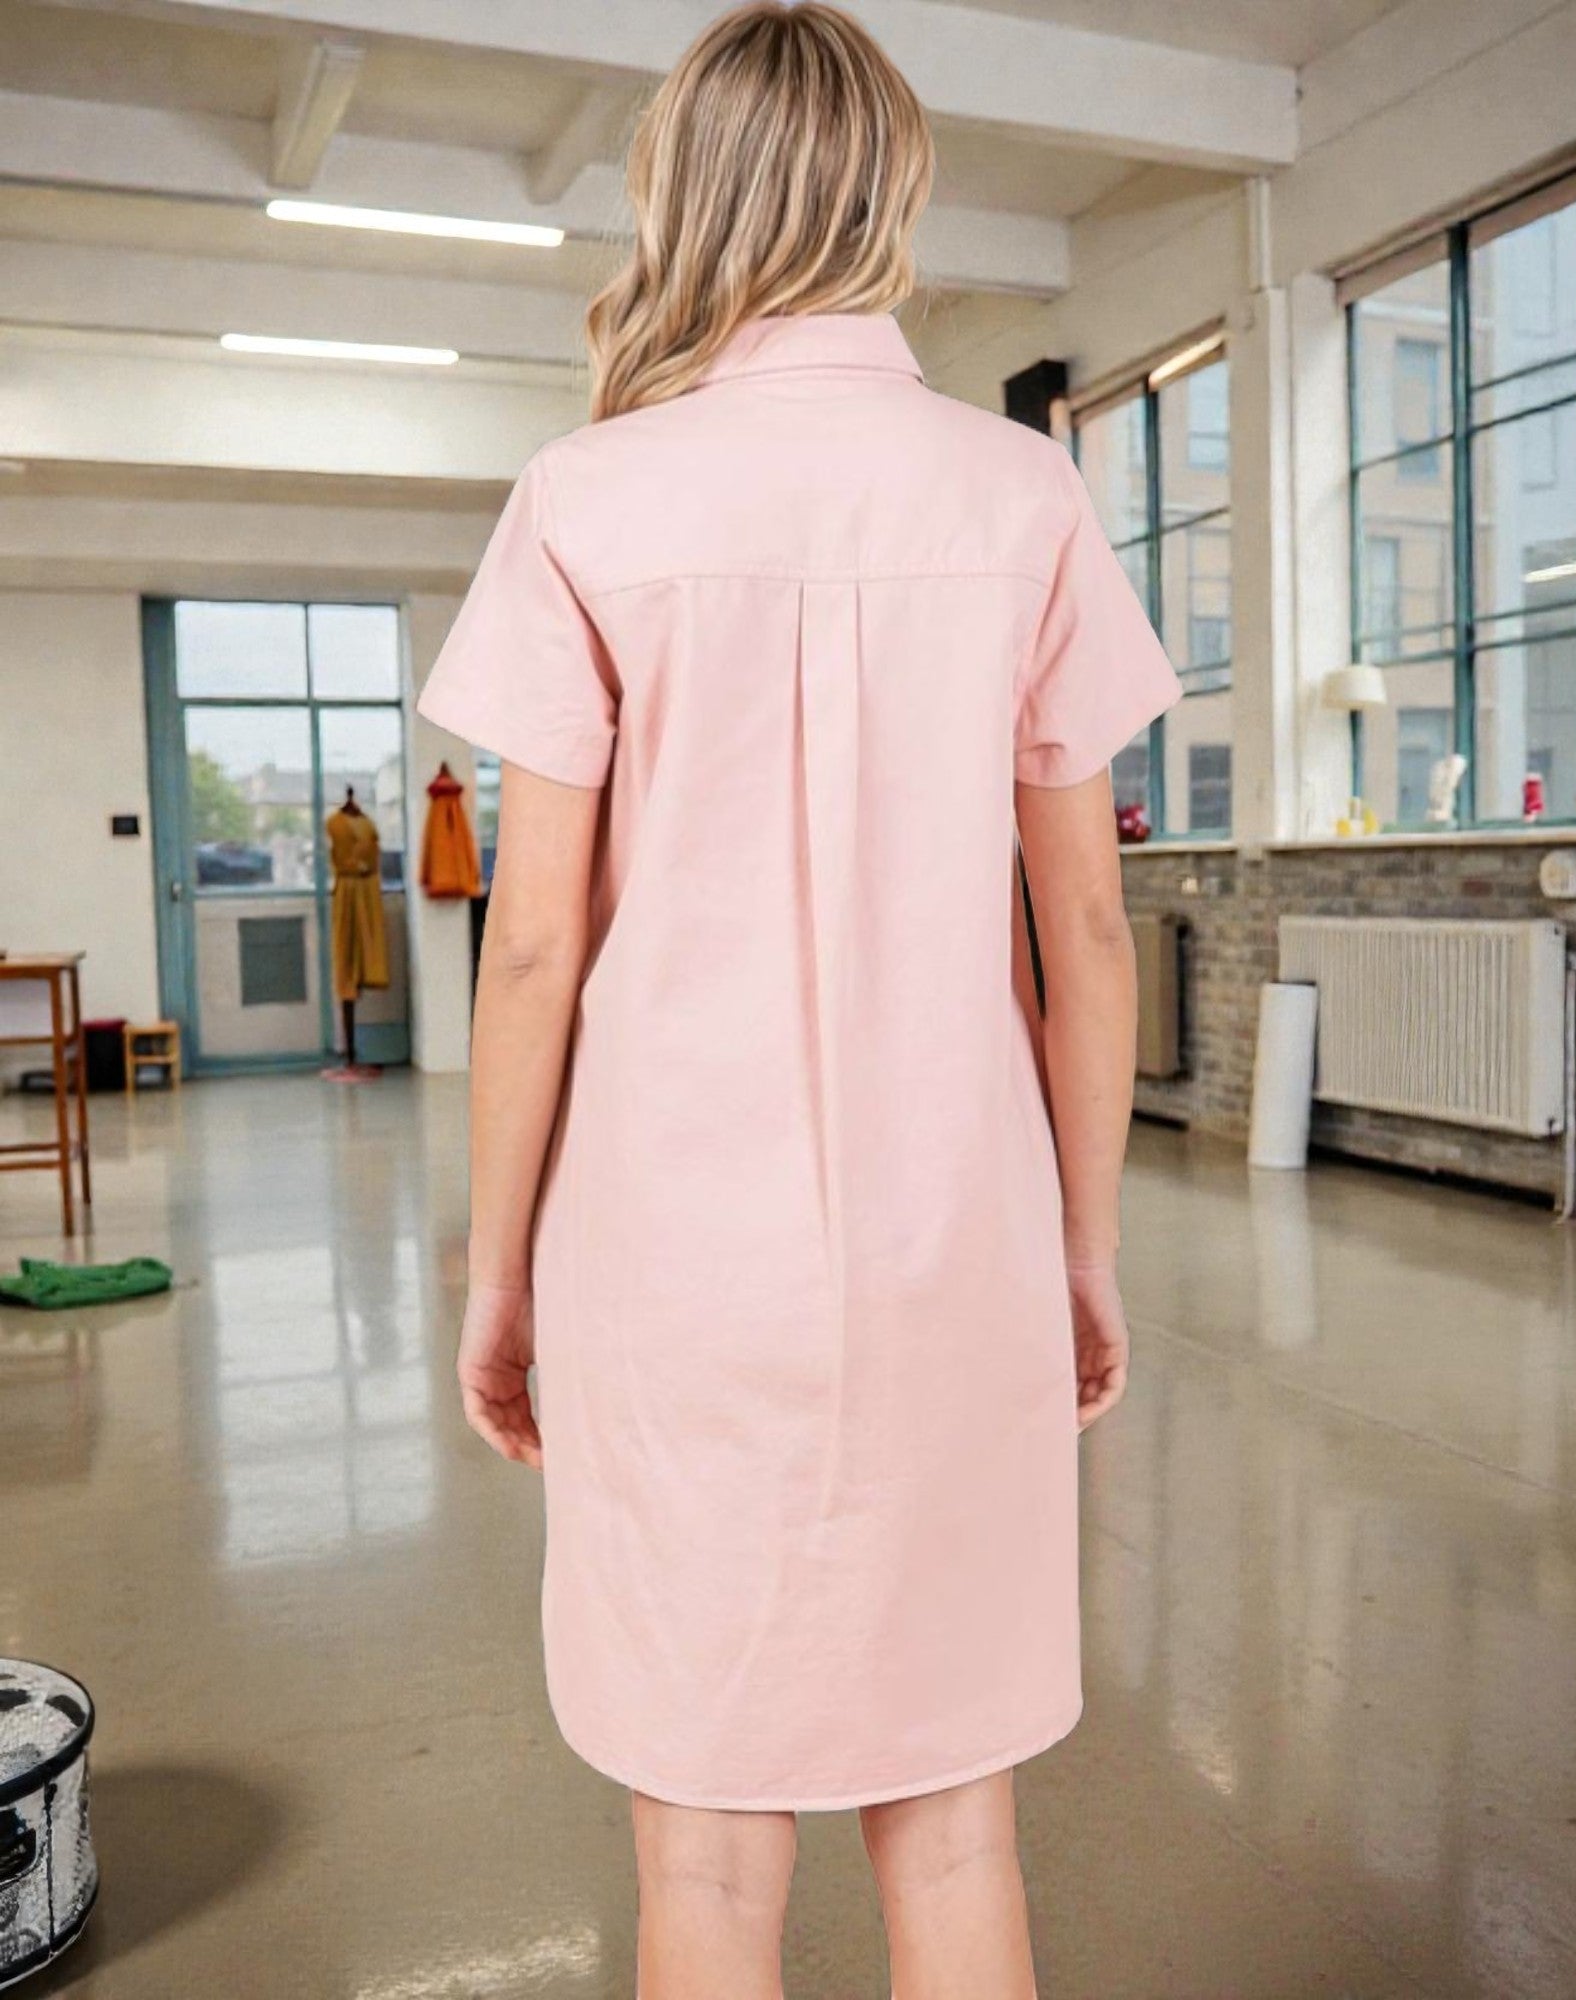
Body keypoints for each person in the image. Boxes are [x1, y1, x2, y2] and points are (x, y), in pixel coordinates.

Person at [417, 5, 1181, 1995]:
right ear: (890, 197)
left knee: (705, 1872)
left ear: (686, 195)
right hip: (959, 1248)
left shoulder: (587, 496)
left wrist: (499, 1272)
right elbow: (1083, 937)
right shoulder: (1019, 497)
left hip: (670, 1265)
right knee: (953, 1841)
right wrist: (1078, 1250)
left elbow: (529, 947)